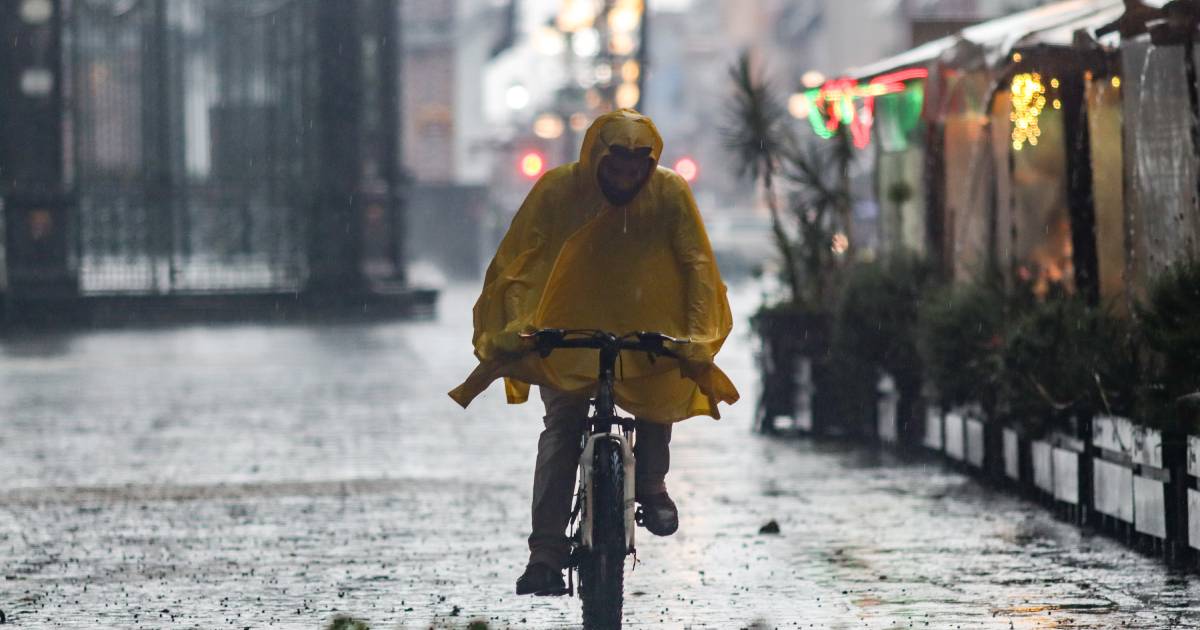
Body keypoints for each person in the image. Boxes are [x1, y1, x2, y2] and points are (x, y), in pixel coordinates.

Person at [449, 109, 738, 596]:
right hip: (565, 331)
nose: (625, 181)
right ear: (595, 160)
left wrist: (692, 337)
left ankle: (651, 484)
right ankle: (544, 554)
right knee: (562, 425)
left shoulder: (669, 195)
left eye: (634, 172)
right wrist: (523, 325)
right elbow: (522, 262)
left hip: (648, 329)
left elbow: (696, 268)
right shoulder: (558, 191)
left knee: (657, 395)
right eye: (615, 170)